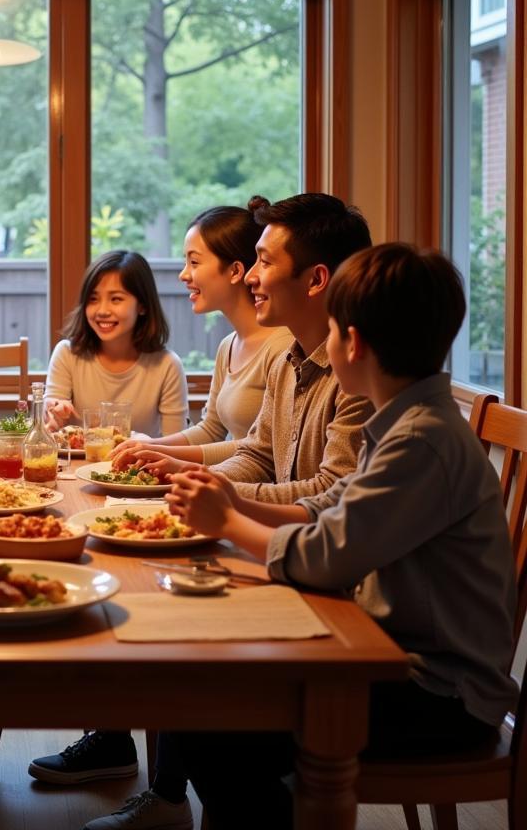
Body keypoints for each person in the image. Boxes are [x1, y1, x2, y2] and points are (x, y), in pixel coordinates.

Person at [83, 243, 517, 830]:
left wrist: (229, 523)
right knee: (204, 671)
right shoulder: (406, 422)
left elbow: (326, 556)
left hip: (435, 692)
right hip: (392, 655)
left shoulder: (421, 440)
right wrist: (233, 498)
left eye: (334, 330)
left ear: (353, 344)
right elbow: (329, 508)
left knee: (220, 720)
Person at [30, 193, 375, 787]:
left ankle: (166, 786)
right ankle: (155, 784)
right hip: (286, 548)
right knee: (154, 612)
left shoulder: (354, 370)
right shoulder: (292, 357)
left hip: (323, 582)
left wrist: (216, 498)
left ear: (315, 279)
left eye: (262, 262)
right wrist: (183, 475)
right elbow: (256, 451)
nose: (252, 275)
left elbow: (328, 495)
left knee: (175, 644)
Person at [111, 206, 291, 468]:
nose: (184, 274)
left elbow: (264, 448)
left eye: (194, 262)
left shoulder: (282, 347)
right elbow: (211, 429)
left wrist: (168, 457)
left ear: (235, 271)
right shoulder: (228, 345)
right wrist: (147, 446)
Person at [44, 250, 186, 439]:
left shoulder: (167, 365)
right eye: (93, 299)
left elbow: (175, 444)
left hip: (139, 466)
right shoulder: (67, 354)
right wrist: (55, 414)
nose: (102, 311)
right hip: (77, 466)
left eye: (116, 299)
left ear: (142, 305)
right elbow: (50, 425)